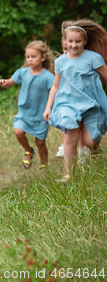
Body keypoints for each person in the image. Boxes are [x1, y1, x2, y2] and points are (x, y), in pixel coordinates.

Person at [43, 19, 107, 182]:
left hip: (91, 103)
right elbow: (55, 86)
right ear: (65, 41)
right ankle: (69, 174)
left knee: (90, 141)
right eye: (70, 41)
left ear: (85, 41)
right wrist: (48, 107)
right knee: (69, 137)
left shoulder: (94, 58)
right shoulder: (60, 61)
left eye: (78, 41)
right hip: (67, 104)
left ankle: (95, 149)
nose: (74, 45)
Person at [0, 41, 55, 169]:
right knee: (18, 132)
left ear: (43, 57)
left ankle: (44, 165)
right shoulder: (22, 72)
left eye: (34, 57)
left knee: (40, 143)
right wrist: (4, 83)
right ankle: (28, 151)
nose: (30, 59)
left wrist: (49, 109)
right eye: (28, 57)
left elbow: (54, 93)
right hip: (24, 113)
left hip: (40, 115)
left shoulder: (48, 77)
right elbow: (10, 83)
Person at [55, 21, 90, 160]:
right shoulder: (61, 61)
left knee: (81, 124)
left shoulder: (86, 59)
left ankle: (83, 147)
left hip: (82, 97)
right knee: (68, 121)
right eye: (64, 48)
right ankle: (67, 145)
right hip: (66, 97)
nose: (67, 51)